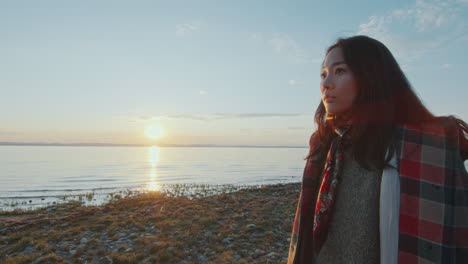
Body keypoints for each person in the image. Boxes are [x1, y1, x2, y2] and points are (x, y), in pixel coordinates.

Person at [287, 35, 468, 264]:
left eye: (340, 71)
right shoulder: (325, 144)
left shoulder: (426, 147)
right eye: (323, 74)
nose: (326, 83)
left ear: (371, 76)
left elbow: (460, 235)